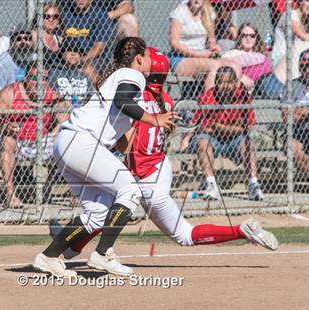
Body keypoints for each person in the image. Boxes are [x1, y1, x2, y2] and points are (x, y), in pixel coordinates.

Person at [50, 47, 279, 260]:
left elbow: (126, 146)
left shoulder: (137, 99)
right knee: (115, 208)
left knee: (179, 232)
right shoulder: (166, 101)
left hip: (145, 175)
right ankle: (72, 247)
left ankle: (76, 248)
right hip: (159, 167)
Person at [33, 37, 180, 277]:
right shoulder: (133, 75)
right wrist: (155, 119)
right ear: (139, 59)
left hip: (70, 143)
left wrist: (146, 132)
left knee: (97, 215)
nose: (151, 62)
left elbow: (121, 140)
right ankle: (103, 254)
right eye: (148, 57)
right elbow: (123, 102)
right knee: (131, 190)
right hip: (82, 143)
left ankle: (48, 256)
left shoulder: (118, 77)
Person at [0, 63, 68, 208]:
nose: (40, 82)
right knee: (7, 141)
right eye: (35, 78)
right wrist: (4, 127)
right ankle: (10, 195)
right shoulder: (11, 92)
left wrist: (57, 131)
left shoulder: (53, 96)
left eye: (44, 78)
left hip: (42, 141)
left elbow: (66, 120)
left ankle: (75, 193)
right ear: (26, 78)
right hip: (17, 140)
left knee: (69, 140)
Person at [183, 66, 264, 201]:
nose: (224, 86)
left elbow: (248, 127)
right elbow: (200, 126)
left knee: (248, 144)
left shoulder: (243, 96)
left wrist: (217, 126)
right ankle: (211, 184)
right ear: (216, 83)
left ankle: (253, 184)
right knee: (203, 142)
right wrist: (233, 127)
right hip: (212, 138)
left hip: (235, 140)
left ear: (235, 83)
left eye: (228, 82)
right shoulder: (209, 96)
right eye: (220, 82)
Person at [0, 22, 36, 184]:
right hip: (4, 118)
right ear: (11, 42)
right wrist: (1, 124)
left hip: (30, 118)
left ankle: (25, 174)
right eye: (19, 39)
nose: (24, 42)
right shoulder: (0, 66)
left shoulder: (36, 62)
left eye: (28, 38)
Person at [168, 0, 242, 91]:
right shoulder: (179, 12)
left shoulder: (208, 12)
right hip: (180, 59)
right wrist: (198, 54)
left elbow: (212, 41)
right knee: (213, 66)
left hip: (203, 57)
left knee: (235, 66)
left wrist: (214, 48)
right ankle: (209, 101)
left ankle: (235, 99)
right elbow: (174, 43)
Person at [222, 23, 279, 95]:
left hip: (268, 84)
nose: (248, 38)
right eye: (244, 35)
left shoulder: (261, 55)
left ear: (256, 38)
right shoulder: (233, 53)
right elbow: (221, 64)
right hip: (252, 88)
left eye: (252, 36)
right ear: (239, 37)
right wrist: (240, 76)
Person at [60, 0, 115, 72]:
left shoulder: (100, 15)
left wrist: (82, 59)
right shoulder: (65, 14)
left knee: (88, 68)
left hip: (93, 58)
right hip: (68, 57)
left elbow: (98, 48)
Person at [271, 0, 309, 90]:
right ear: (299, 1)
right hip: (281, 60)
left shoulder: (306, 19)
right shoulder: (289, 15)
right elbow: (302, 36)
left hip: (300, 62)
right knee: (302, 44)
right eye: (307, 0)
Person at [47, 39, 96, 105]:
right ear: (62, 54)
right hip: (62, 109)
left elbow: (92, 95)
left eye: (76, 51)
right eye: (69, 50)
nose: (73, 54)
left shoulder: (86, 72)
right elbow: (52, 94)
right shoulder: (54, 71)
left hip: (84, 109)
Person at [283, 49, 309, 173]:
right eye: (304, 67)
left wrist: (299, 111)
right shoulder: (291, 86)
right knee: (293, 148)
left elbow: (295, 113)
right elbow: (286, 117)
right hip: (296, 131)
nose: (307, 70)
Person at [31, 2, 64, 68]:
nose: (51, 20)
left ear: (59, 20)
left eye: (55, 17)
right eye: (47, 16)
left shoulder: (60, 39)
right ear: (39, 18)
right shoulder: (34, 35)